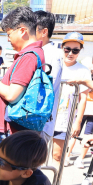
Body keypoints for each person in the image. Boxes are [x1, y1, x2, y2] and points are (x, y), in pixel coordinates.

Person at [0, 7, 45, 159]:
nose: (7, 38)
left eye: (9, 33)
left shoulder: (29, 57)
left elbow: (12, 95)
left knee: (1, 177)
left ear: (22, 30)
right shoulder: (33, 54)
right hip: (11, 131)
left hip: (7, 133)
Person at [51, 32, 90, 165]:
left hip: (64, 120)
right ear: (62, 47)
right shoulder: (53, 65)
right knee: (38, 154)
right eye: (67, 49)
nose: (70, 53)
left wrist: (78, 122)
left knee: (57, 155)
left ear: (80, 51)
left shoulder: (83, 71)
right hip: (45, 117)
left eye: (75, 50)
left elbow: (83, 99)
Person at [35, 11, 63, 146]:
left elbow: (46, 88)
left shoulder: (51, 55)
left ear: (43, 32)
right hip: (32, 122)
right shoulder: (39, 51)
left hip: (39, 123)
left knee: (29, 164)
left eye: (31, 27)